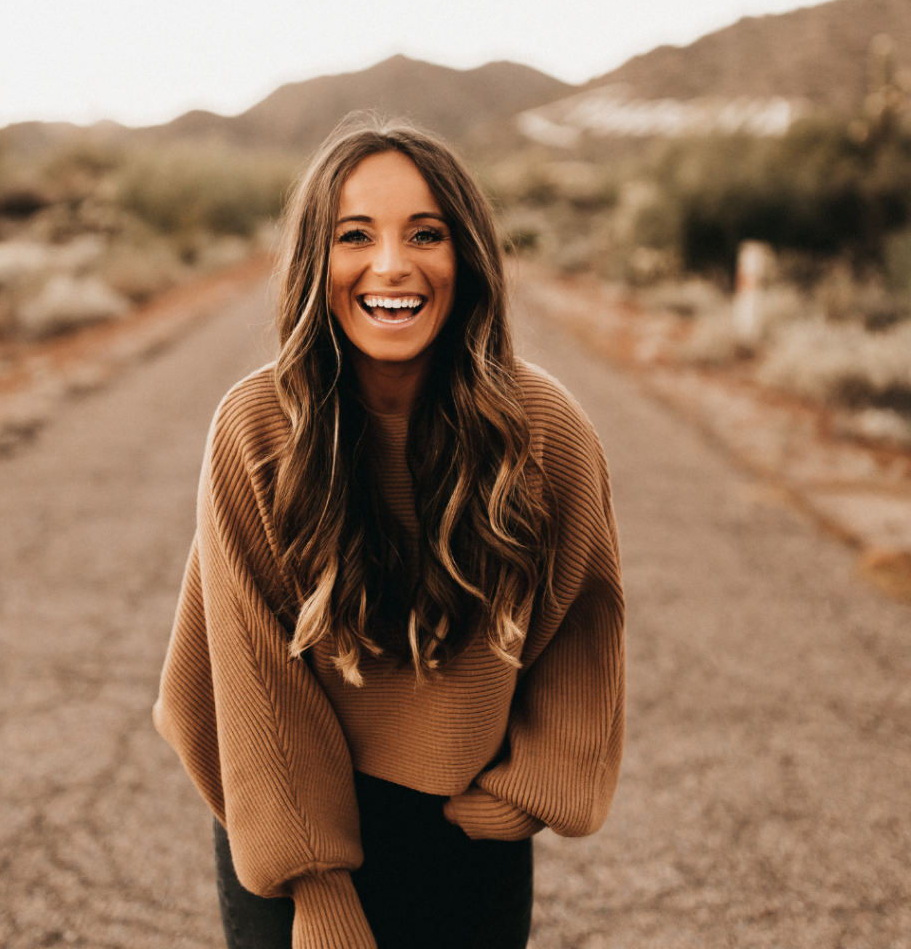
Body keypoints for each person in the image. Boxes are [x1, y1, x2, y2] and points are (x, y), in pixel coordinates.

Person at [153, 121, 625, 949]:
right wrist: (320, 890)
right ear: (315, 261)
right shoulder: (259, 428)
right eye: (355, 236)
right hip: (286, 819)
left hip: (466, 828)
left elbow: (585, 614)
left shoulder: (543, 428)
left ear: (467, 256)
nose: (392, 266)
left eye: (427, 234)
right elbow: (255, 676)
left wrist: (532, 790)